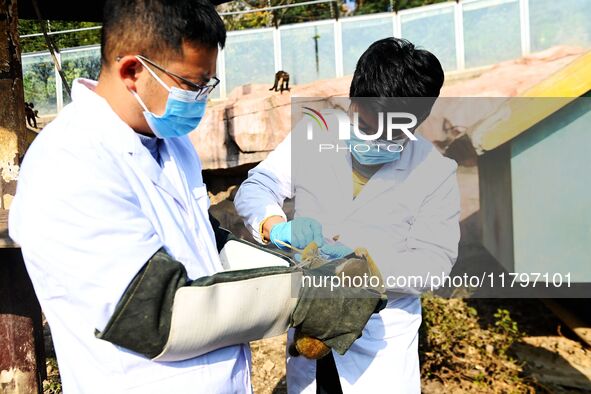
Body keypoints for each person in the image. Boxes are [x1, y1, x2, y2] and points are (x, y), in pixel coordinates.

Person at [8, 1, 383, 392]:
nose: (201, 98)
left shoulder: (172, 144)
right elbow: (154, 314)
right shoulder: (69, 162)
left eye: (209, 84)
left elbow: (203, 243)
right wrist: (303, 296)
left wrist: (304, 268)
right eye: (192, 84)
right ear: (133, 71)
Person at [234, 37, 461, 393]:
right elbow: (258, 185)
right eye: (368, 126)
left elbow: (435, 262)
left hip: (380, 352)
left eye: (392, 134)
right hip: (310, 326)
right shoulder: (315, 133)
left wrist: (363, 267)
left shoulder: (435, 172)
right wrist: (274, 225)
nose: (375, 141)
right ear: (353, 102)